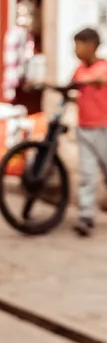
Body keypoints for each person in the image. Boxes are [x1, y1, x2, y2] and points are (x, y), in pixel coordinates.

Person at [71, 26, 107, 236]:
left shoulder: (103, 68)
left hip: (104, 128)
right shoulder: (79, 70)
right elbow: (72, 86)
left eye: (78, 46)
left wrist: (92, 81)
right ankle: (86, 215)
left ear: (91, 46)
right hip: (84, 128)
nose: (75, 51)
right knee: (87, 174)